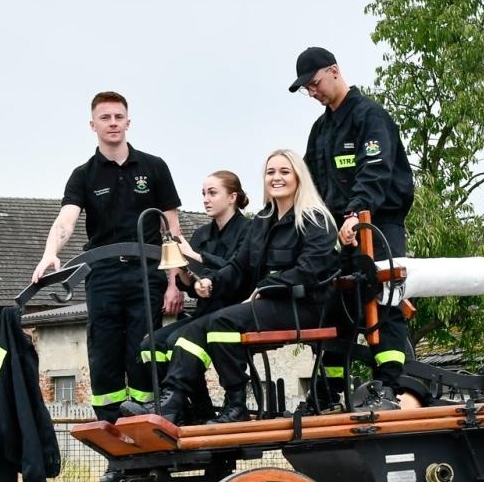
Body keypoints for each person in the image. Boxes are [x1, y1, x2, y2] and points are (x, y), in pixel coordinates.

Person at [150, 150, 339, 426]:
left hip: (305, 306)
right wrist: (212, 281)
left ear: (299, 177)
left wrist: (264, 288)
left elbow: (309, 270)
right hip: (269, 304)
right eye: (270, 172)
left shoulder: (316, 218)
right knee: (196, 328)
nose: (276, 177)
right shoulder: (262, 220)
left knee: (222, 322)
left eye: (284, 172)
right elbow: (238, 267)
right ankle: (173, 400)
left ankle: (236, 403)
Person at [30, 92, 183, 426]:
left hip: (147, 275)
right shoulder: (84, 175)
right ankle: (111, 428)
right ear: (93, 125)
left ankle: (148, 421)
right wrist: (50, 254)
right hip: (103, 276)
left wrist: (174, 283)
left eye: (118, 117)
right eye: (105, 118)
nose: (112, 123)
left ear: (128, 121)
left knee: (145, 351)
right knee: (104, 353)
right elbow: (66, 221)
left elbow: (172, 232)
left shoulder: (154, 167)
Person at [294, 47, 415, 410]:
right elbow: (309, 184)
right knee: (336, 307)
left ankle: (389, 387)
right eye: (307, 89)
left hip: (378, 226)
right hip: (339, 233)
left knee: (384, 301)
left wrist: (355, 214)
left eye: (315, 83)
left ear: (334, 70)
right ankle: (327, 391)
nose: (312, 92)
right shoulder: (320, 130)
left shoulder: (370, 116)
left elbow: (374, 171)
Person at [123, 170, 252, 419]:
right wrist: (183, 271)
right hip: (204, 312)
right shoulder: (201, 234)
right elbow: (190, 285)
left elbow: (237, 271)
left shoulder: (249, 230)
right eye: (203, 193)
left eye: (212, 193)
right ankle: (192, 408)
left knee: (177, 341)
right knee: (151, 345)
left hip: (233, 312)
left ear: (232, 197)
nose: (205, 199)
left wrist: (193, 256)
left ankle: (176, 406)